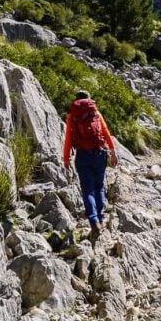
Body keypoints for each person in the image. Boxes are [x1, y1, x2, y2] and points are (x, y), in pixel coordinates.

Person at [62, 90, 118, 240]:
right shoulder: (96, 113)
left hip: (82, 155)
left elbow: (68, 138)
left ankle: (93, 220)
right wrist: (113, 152)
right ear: (89, 99)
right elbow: (106, 133)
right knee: (99, 186)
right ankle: (99, 218)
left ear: (76, 100)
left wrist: (66, 158)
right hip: (99, 153)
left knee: (87, 190)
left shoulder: (72, 116)